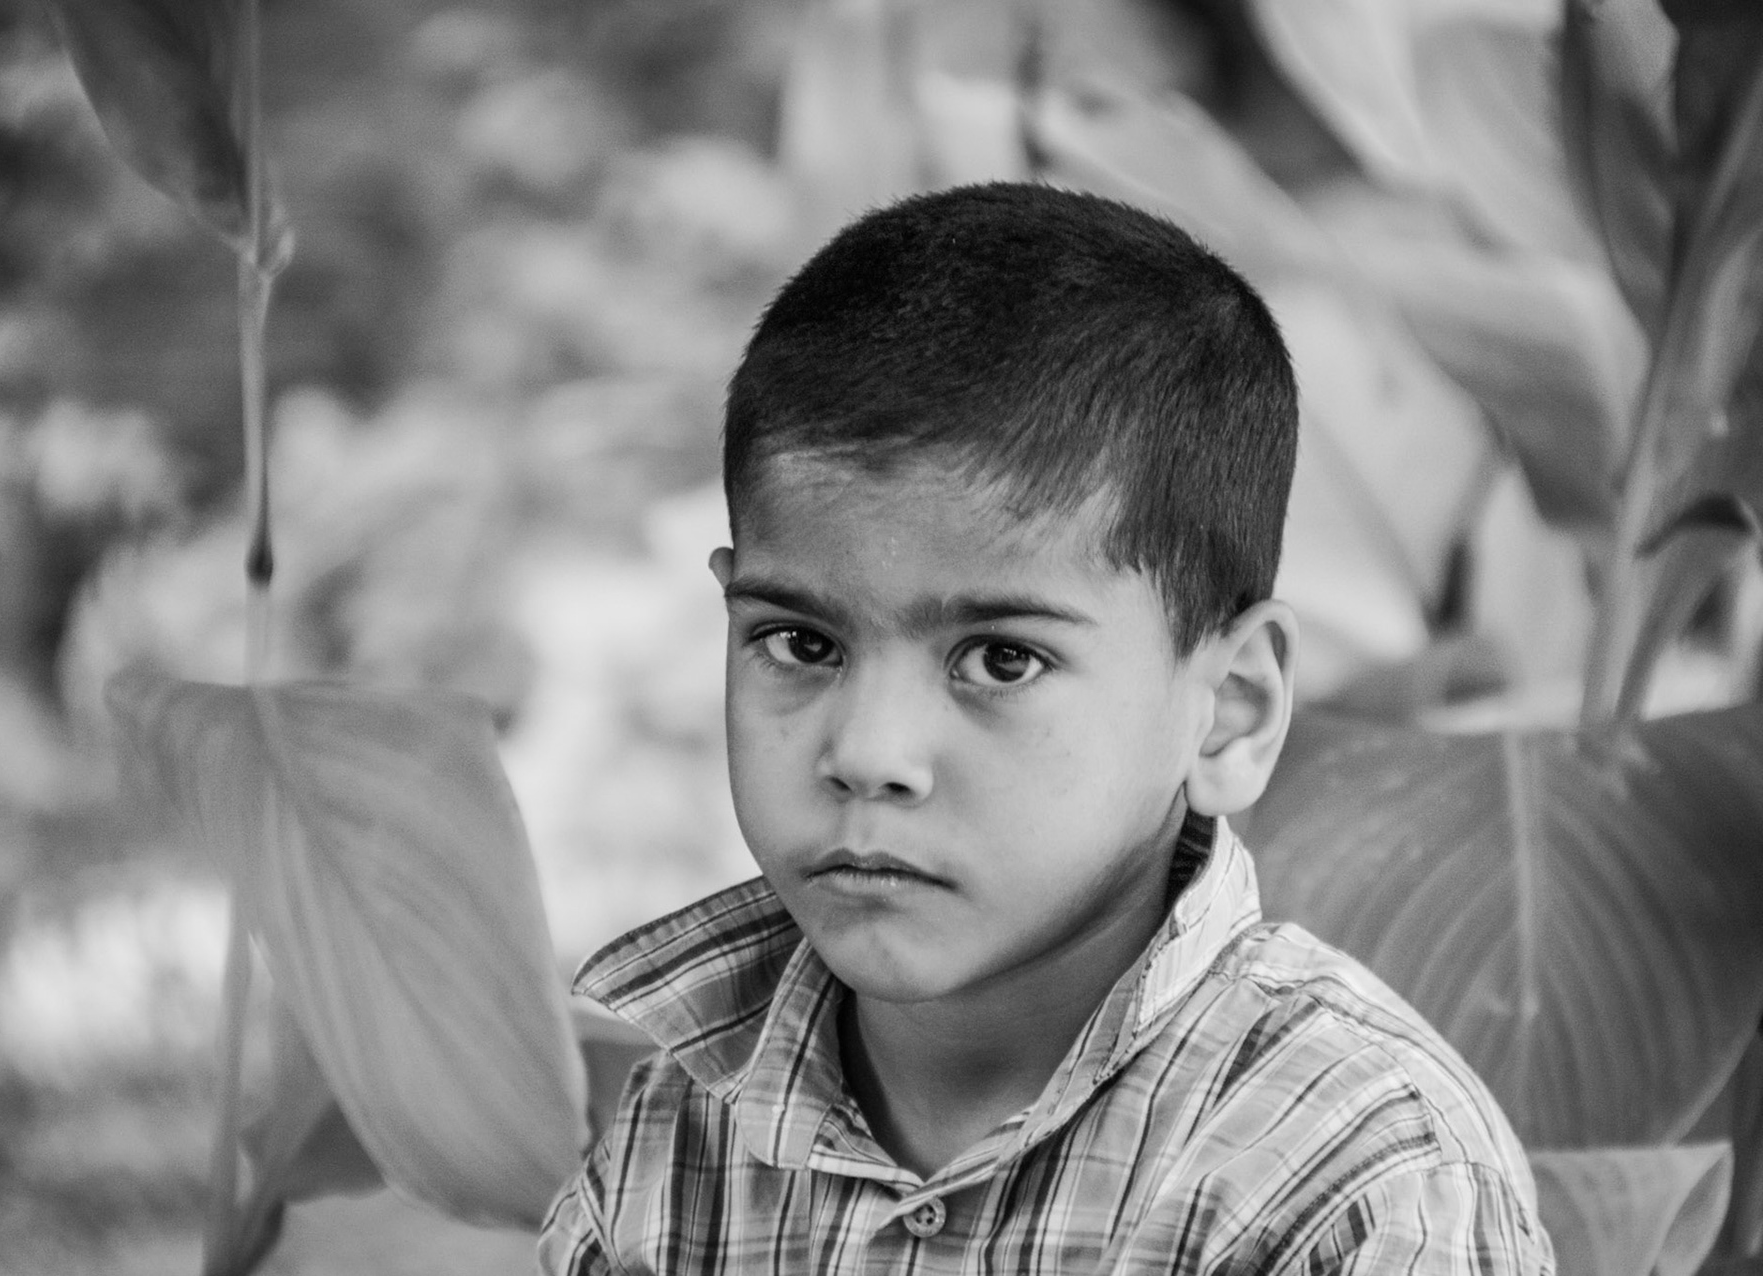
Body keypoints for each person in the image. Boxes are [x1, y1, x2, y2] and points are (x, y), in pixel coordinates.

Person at [537, 182, 1553, 1274]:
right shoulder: (667, 1141)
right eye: (801, 644)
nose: (868, 755)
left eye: (1001, 659)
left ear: (1231, 709)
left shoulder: (1353, 1176)